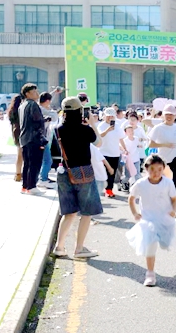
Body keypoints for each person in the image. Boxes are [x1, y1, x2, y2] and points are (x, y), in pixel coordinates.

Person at [52, 97, 103, 259]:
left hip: (64, 172)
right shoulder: (84, 129)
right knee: (86, 213)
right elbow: (99, 143)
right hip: (83, 172)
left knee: (69, 213)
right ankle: (79, 249)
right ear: (80, 110)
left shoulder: (58, 128)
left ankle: (59, 247)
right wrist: (93, 124)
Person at [127, 154, 176, 287]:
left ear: (163, 169)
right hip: (148, 221)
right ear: (146, 169)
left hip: (164, 219)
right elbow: (131, 198)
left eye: (159, 170)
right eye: (152, 170)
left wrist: (174, 210)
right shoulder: (141, 184)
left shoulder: (168, 182)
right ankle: (150, 273)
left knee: (165, 244)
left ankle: (161, 244)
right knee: (150, 247)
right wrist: (135, 213)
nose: (156, 173)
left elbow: (175, 199)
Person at [148, 104, 176, 200]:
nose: (169, 117)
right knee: (164, 181)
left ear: (175, 116)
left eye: (171, 115)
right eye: (167, 115)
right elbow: (150, 144)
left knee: (175, 181)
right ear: (163, 115)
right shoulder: (158, 128)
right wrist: (164, 145)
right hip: (163, 159)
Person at [18, 83, 47, 195]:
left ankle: (25, 186)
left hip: (24, 138)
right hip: (33, 138)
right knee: (35, 163)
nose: (37, 93)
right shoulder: (33, 105)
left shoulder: (22, 105)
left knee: (27, 164)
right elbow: (37, 121)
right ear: (27, 93)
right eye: (34, 92)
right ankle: (32, 187)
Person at [97, 107, 128, 198]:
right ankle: (102, 188)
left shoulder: (117, 126)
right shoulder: (101, 125)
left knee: (112, 173)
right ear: (104, 116)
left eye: (111, 116)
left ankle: (109, 190)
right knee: (104, 172)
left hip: (115, 153)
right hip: (103, 152)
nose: (110, 118)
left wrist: (125, 149)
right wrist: (108, 130)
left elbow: (121, 138)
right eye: (108, 116)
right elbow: (100, 135)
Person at [38, 92, 58, 189]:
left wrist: (54, 93)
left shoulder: (38, 107)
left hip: (41, 138)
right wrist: (52, 111)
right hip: (42, 138)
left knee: (43, 160)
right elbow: (55, 117)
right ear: (47, 101)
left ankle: (42, 177)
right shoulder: (43, 110)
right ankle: (43, 179)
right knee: (47, 160)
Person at [121, 125, 142, 191]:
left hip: (136, 159)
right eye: (129, 131)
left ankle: (137, 188)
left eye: (132, 130)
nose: (131, 132)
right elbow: (120, 146)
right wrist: (124, 150)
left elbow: (137, 144)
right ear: (126, 133)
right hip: (128, 160)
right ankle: (123, 182)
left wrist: (139, 145)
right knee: (128, 175)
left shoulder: (136, 138)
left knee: (137, 174)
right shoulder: (124, 140)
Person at [7, 95, 24, 182]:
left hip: (15, 132)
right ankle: (21, 174)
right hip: (22, 132)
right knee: (23, 155)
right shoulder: (21, 110)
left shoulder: (12, 111)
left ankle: (18, 174)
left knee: (19, 154)